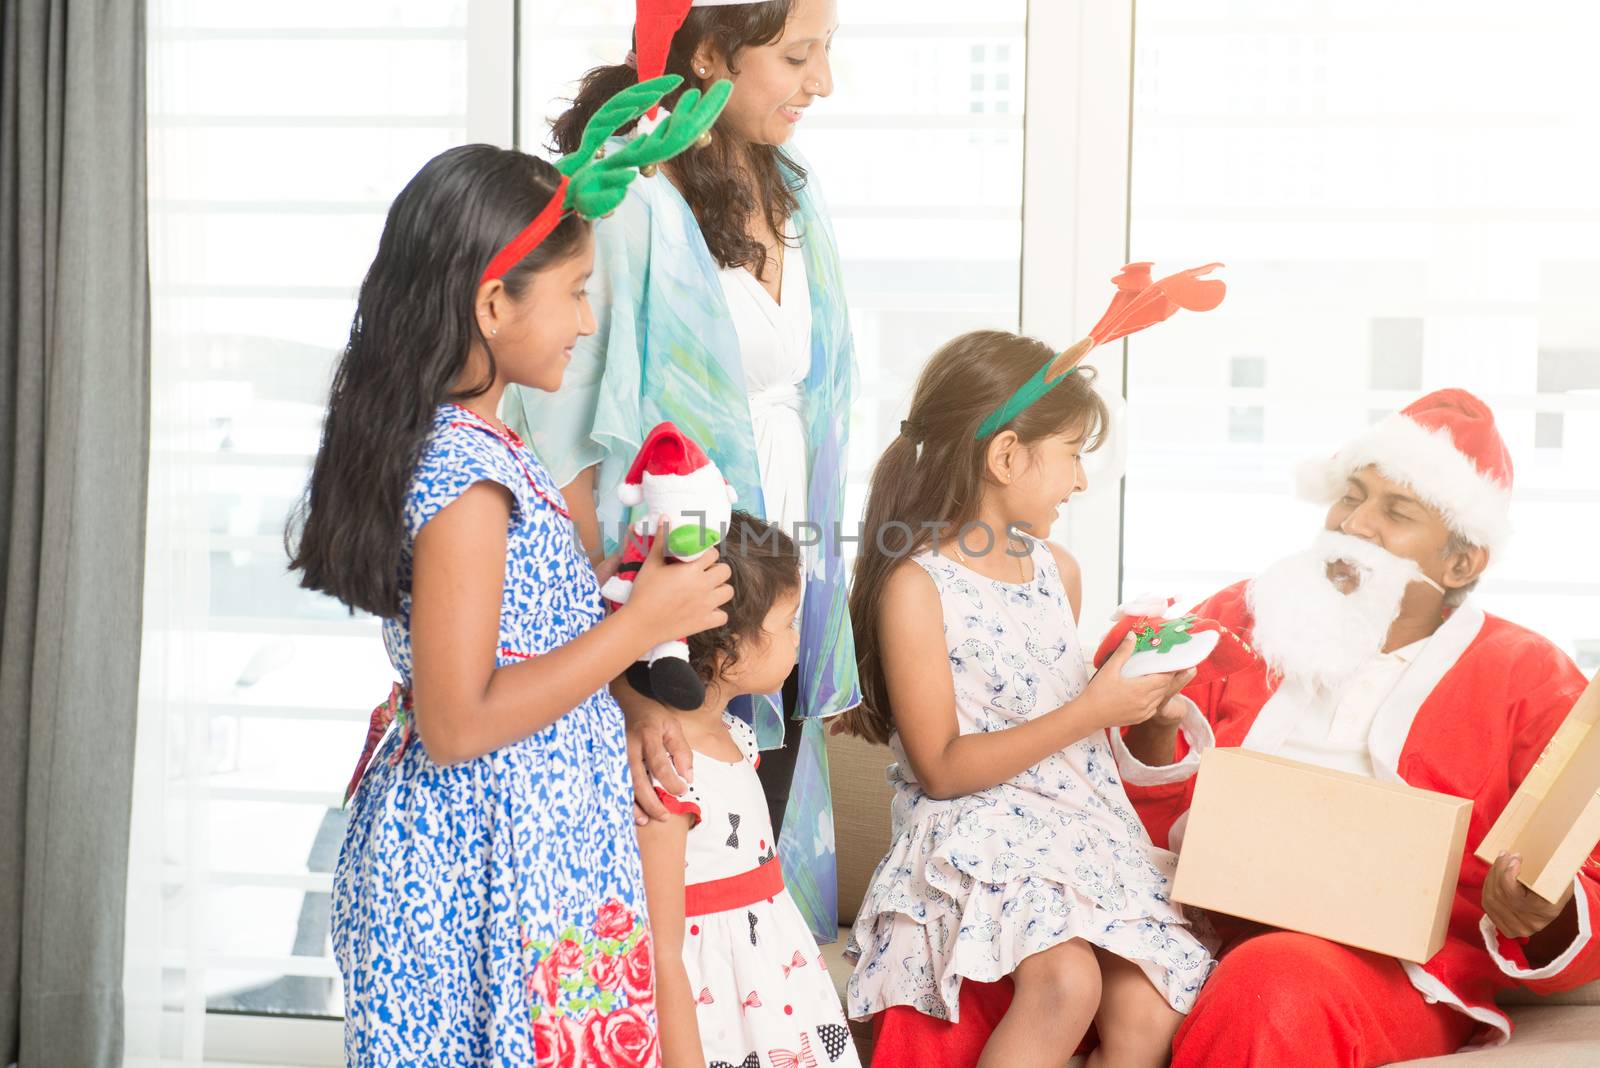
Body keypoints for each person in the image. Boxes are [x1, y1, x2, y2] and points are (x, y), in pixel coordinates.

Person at [288, 92, 733, 1063]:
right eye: (574, 289)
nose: (587, 317)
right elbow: (459, 721)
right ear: (494, 304)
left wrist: (631, 696)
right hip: (481, 869)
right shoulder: (465, 480)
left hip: (530, 851)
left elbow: (521, 642)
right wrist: (644, 618)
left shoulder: (487, 447)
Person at [503, 0, 858, 940]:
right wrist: (619, 661)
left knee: (756, 896)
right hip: (668, 609)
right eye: (797, 57)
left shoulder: (795, 190)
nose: (823, 82)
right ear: (708, 54)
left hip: (777, 591)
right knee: (683, 912)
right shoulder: (630, 203)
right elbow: (561, 439)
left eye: (827, 53)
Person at [1112, 388, 1600, 1065]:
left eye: (1396, 511)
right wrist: (1147, 732)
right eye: (1351, 496)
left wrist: (1546, 912)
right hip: (1177, 922)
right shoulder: (1236, 615)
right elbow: (1115, 786)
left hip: (1376, 970)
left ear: (1461, 562)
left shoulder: (1531, 677)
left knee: (1275, 984)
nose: (1353, 523)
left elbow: (1585, 880)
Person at [839, 327, 1218, 1068]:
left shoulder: (1058, 572)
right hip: (973, 833)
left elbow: (1072, 740)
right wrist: (1091, 710)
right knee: (1066, 982)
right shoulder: (917, 585)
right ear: (1007, 456)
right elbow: (943, 768)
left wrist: (1143, 713)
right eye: (1074, 455)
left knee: (1147, 1004)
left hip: (1079, 830)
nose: (1081, 482)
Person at [637, 511, 862, 1068]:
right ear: (725, 651)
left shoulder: (734, 736)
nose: (796, 640)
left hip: (775, 986)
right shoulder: (669, 771)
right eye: (787, 624)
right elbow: (661, 947)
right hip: (713, 1009)